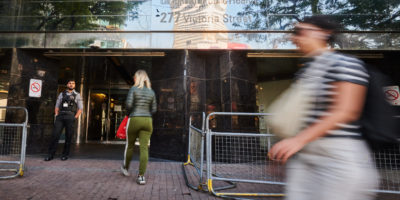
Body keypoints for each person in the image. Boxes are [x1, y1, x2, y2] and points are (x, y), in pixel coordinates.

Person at [268, 16, 379, 200]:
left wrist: (297, 141)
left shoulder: (345, 63)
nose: (294, 38)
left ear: (324, 33)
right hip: (306, 158)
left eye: (300, 31)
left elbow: (346, 111)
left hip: (338, 159)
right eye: (293, 33)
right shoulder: (305, 71)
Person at [121, 70, 157, 185]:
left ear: (138, 78)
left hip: (135, 118)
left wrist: (129, 114)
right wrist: (147, 113)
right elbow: (154, 109)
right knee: (144, 148)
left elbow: (129, 105)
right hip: (148, 120)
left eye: (135, 77)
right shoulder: (151, 92)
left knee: (130, 145)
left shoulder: (133, 89)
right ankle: (141, 176)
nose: (134, 79)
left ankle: (125, 168)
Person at [45, 79, 83, 161]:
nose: (71, 84)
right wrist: (56, 114)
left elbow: (80, 108)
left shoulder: (77, 95)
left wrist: (75, 117)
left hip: (70, 116)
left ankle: (65, 155)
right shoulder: (62, 94)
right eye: (70, 83)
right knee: (55, 135)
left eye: (73, 83)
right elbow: (57, 105)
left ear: (75, 85)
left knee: (68, 137)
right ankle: (50, 155)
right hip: (60, 116)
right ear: (67, 84)